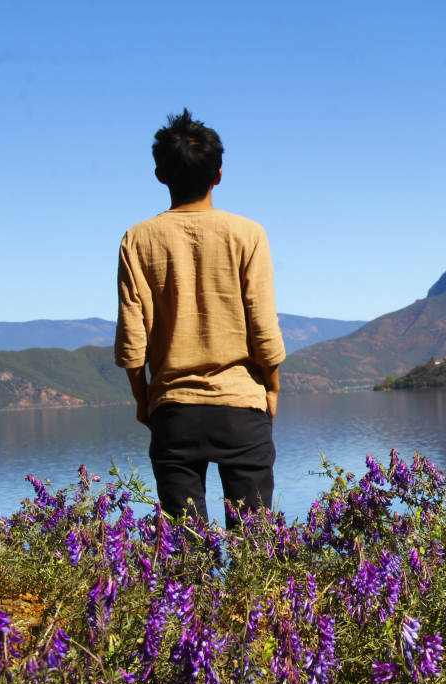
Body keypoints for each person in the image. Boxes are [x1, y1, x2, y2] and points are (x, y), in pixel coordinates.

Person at [114, 108, 285, 528]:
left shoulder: (137, 240)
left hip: (173, 411)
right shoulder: (248, 234)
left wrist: (144, 400)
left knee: (184, 553)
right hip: (241, 408)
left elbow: (132, 341)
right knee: (256, 549)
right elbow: (263, 327)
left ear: (160, 174)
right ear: (219, 174)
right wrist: (273, 389)